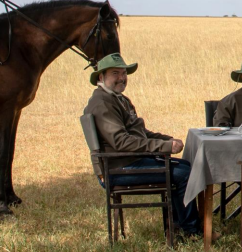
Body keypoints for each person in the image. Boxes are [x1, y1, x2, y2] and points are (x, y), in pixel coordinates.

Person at [82, 53, 200, 237]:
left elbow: (140, 133)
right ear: (101, 77)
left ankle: (177, 225)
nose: (121, 78)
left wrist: (167, 140)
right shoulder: (102, 103)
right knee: (185, 173)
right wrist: (164, 147)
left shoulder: (117, 98)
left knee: (185, 166)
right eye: (115, 73)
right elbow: (122, 142)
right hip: (119, 168)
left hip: (130, 160)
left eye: (124, 73)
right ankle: (192, 231)